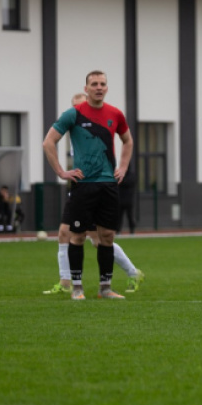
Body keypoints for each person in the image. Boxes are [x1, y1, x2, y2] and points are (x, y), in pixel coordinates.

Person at [43, 71, 133, 301]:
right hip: (83, 185)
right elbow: (48, 142)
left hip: (108, 184)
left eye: (102, 84)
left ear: (107, 88)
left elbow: (127, 141)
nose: (99, 87)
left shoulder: (115, 114)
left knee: (107, 236)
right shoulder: (73, 114)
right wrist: (61, 172)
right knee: (78, 237)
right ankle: (77, 288)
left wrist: (123, 167)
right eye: (94, 84)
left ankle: (105, 288)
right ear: (86, 88)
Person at [118, 168, 136, 234]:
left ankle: (132, 230)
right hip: (121, 200)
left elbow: (123, 182)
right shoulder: (122, 175)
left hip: (128, 200)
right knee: (119, 217)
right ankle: (118, 230)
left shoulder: (130, 176)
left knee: (130, 216)